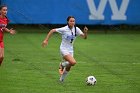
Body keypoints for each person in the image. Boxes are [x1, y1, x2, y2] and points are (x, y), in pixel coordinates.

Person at [42, 16, 88, 82]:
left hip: (71, 49)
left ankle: (61, 80)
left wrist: (85, 32)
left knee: (69, 66)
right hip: (63, 49)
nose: (72, 22)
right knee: (73, 62)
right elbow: (52, 30)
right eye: (71, 21)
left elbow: (84, 37)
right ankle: (62, 64)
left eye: (73, 21)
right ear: (68, 22)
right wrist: (46, 40)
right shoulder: (64, 29)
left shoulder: (76, 29)